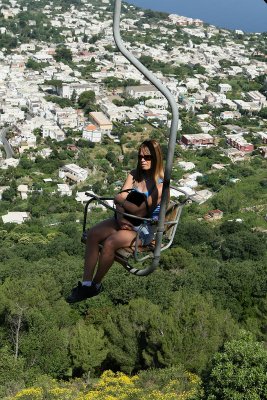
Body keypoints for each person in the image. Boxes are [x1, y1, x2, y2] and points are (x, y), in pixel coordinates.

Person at [67, 139, 164, 303]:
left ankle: (95, 285)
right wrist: (120, 218)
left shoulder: (161, 186)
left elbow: (140, 211)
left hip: (143, 228)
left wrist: (121, 199)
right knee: (93, 234)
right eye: (140, 157)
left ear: (156, 159)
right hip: (124, 220)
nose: (143, 160)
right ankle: (86, 284)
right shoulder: (134, 175)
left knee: (110, 242)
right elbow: (119, 204)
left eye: (148, 157)